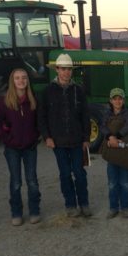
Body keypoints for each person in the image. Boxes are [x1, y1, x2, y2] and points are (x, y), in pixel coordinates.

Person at [38, 53, 92, 218]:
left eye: (69, 69)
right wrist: (47, 137)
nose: (66, 72)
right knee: (65, 174)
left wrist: (86, 138)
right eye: (63, 69)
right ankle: (70, 205)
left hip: (77, 141)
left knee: (80, 173)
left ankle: (84, 203)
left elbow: (85, 115)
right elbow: (42, 116)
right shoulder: (47, 91)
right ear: (57, 70)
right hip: (58, 142)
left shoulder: (78, 90)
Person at [0, 69, 41, 226]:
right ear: (12, 81)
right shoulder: (4, 101)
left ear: (27, 80)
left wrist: (35, 136)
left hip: (30, 147)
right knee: (16, 182)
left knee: (32, 180)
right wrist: (7, 139)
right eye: (17, 78)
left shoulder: (33, 100)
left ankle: (34, 210)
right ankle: (16, 212)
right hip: (12, 148)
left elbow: (40, 121)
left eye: (24, 78)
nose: (21, 81)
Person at [100, 88, 128, 219]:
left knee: (125, 182)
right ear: (110, 100)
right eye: (115, 98)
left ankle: (125, 207)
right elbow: (102, 126)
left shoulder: (127, 114)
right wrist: (110, 137)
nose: (117, 101)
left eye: (120, 98)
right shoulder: (106, 114)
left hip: (124, 152)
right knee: (112, 182)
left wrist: (117, 136)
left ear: (123, 100)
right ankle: (113, 207)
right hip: (112, 153)